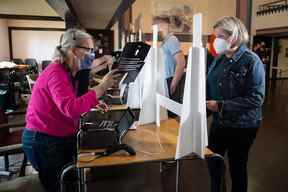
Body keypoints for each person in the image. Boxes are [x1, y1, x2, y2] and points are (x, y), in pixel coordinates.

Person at [22, 29, 119, 192]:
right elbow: (70, 109)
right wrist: (102, 87)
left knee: (69, 182)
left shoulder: (65, 72)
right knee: (60, 187)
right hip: (44, 141)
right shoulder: (56, 72)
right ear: (74, 51)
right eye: (89, 50)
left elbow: (71, 100)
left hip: (54, 137)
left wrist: (93, 101)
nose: (92, 55)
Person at [206, 16, 265, 192]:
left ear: (235, 36)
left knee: (237, 169)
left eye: (221, 36)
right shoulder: (219, 59)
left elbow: (256, 98)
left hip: (243, 125)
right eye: (215, 36)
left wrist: (221, 105)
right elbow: (211, 86)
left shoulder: (251, 61)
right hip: (219, 122)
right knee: (213, 164)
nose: (217, 41)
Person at [153, 15, 186, 104]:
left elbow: (181, 63)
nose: (154, 29)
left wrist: (173, 84)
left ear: (164, 25)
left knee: (171, 114)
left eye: (156, 25)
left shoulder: (172, 40)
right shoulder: (165, 42)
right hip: (164, 81)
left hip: (170, 81)